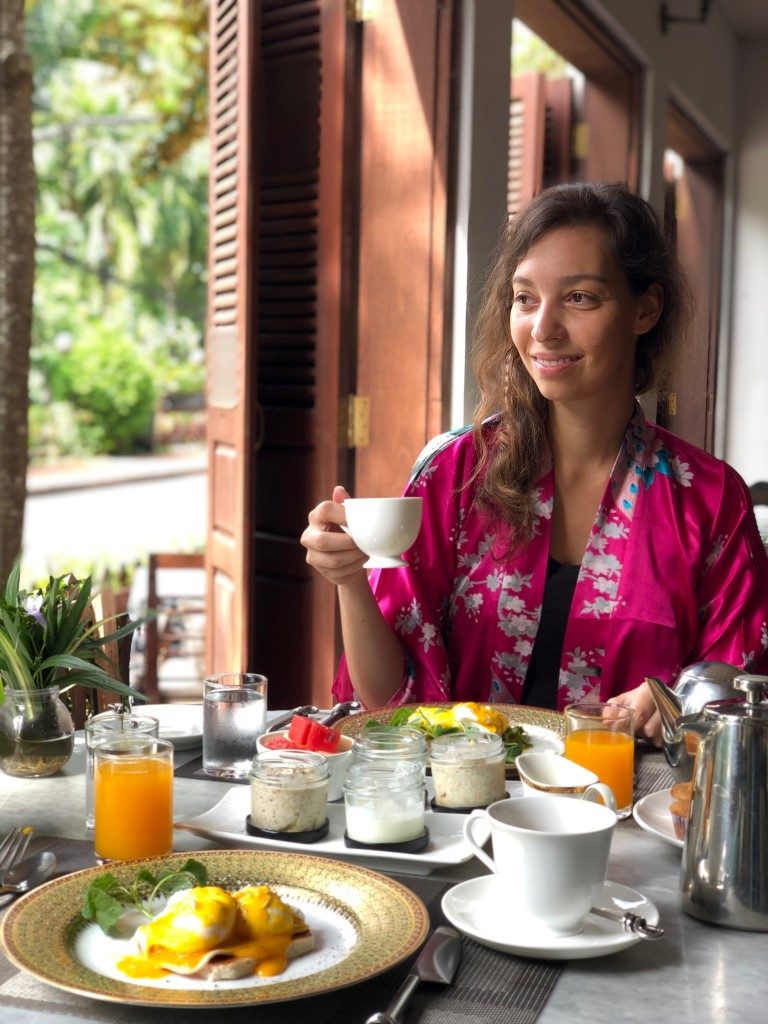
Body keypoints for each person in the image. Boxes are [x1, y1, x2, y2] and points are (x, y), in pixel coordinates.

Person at [301, 182, 768, 744]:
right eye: (525, 298)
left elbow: (743, 699)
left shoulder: (710, 501)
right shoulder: (455, 474)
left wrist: (675, 701)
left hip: (626, 811)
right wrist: (350, 579)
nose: (543, 328)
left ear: (645, 309)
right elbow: (387, 703)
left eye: (581, 298)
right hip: (462, 811)